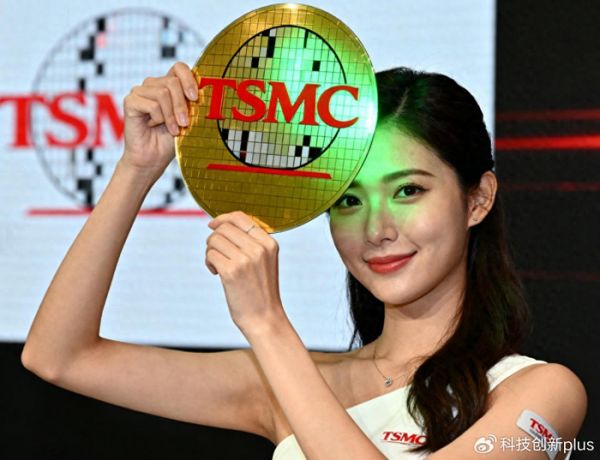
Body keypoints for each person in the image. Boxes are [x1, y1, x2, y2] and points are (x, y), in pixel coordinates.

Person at [21, 62, 587, 459]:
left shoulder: (539, 394)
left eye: (408, 191)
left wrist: (267, 323)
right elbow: (58, 356)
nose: (377, 230)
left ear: (478, 199)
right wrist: (137, 169)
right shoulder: (290, 381)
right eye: (348, 200)